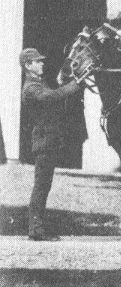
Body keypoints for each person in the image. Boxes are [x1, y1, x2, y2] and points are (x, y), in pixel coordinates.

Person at [20, 48, 82, 241]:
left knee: (43, 185)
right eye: (37, 61)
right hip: (44, 141)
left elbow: (53, 96)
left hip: (48, 141)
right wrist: (75, 85)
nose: (42, 64)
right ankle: (36, 230)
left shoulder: (38, 84)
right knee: (41, 186)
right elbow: (51, 97)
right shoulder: (31, 88)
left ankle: (37, 228)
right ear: (27, 65)